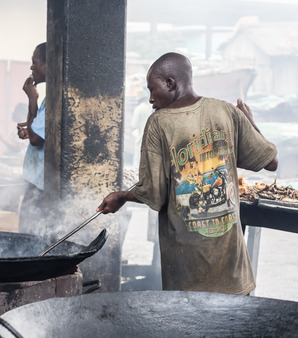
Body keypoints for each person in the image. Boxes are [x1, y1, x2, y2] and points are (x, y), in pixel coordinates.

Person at [97, 52, 278, 295]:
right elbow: (271, 161)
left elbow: (154, 194)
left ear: (171, 84)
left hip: (187, 271)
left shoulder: (158, 123)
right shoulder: (227, 112)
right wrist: (250, 122)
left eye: (153, 89)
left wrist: (122, 196)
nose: (150, 98)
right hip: (232, 269)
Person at [17, 42, 47, 233]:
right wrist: (30, 127)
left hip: (41, 185)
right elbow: (36, 132)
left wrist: (31, 99)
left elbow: (36, 140)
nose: (31, 67)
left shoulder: (54, 99)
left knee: (29, 236)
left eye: (34, 62)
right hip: (36, 181)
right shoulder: (51, 97)